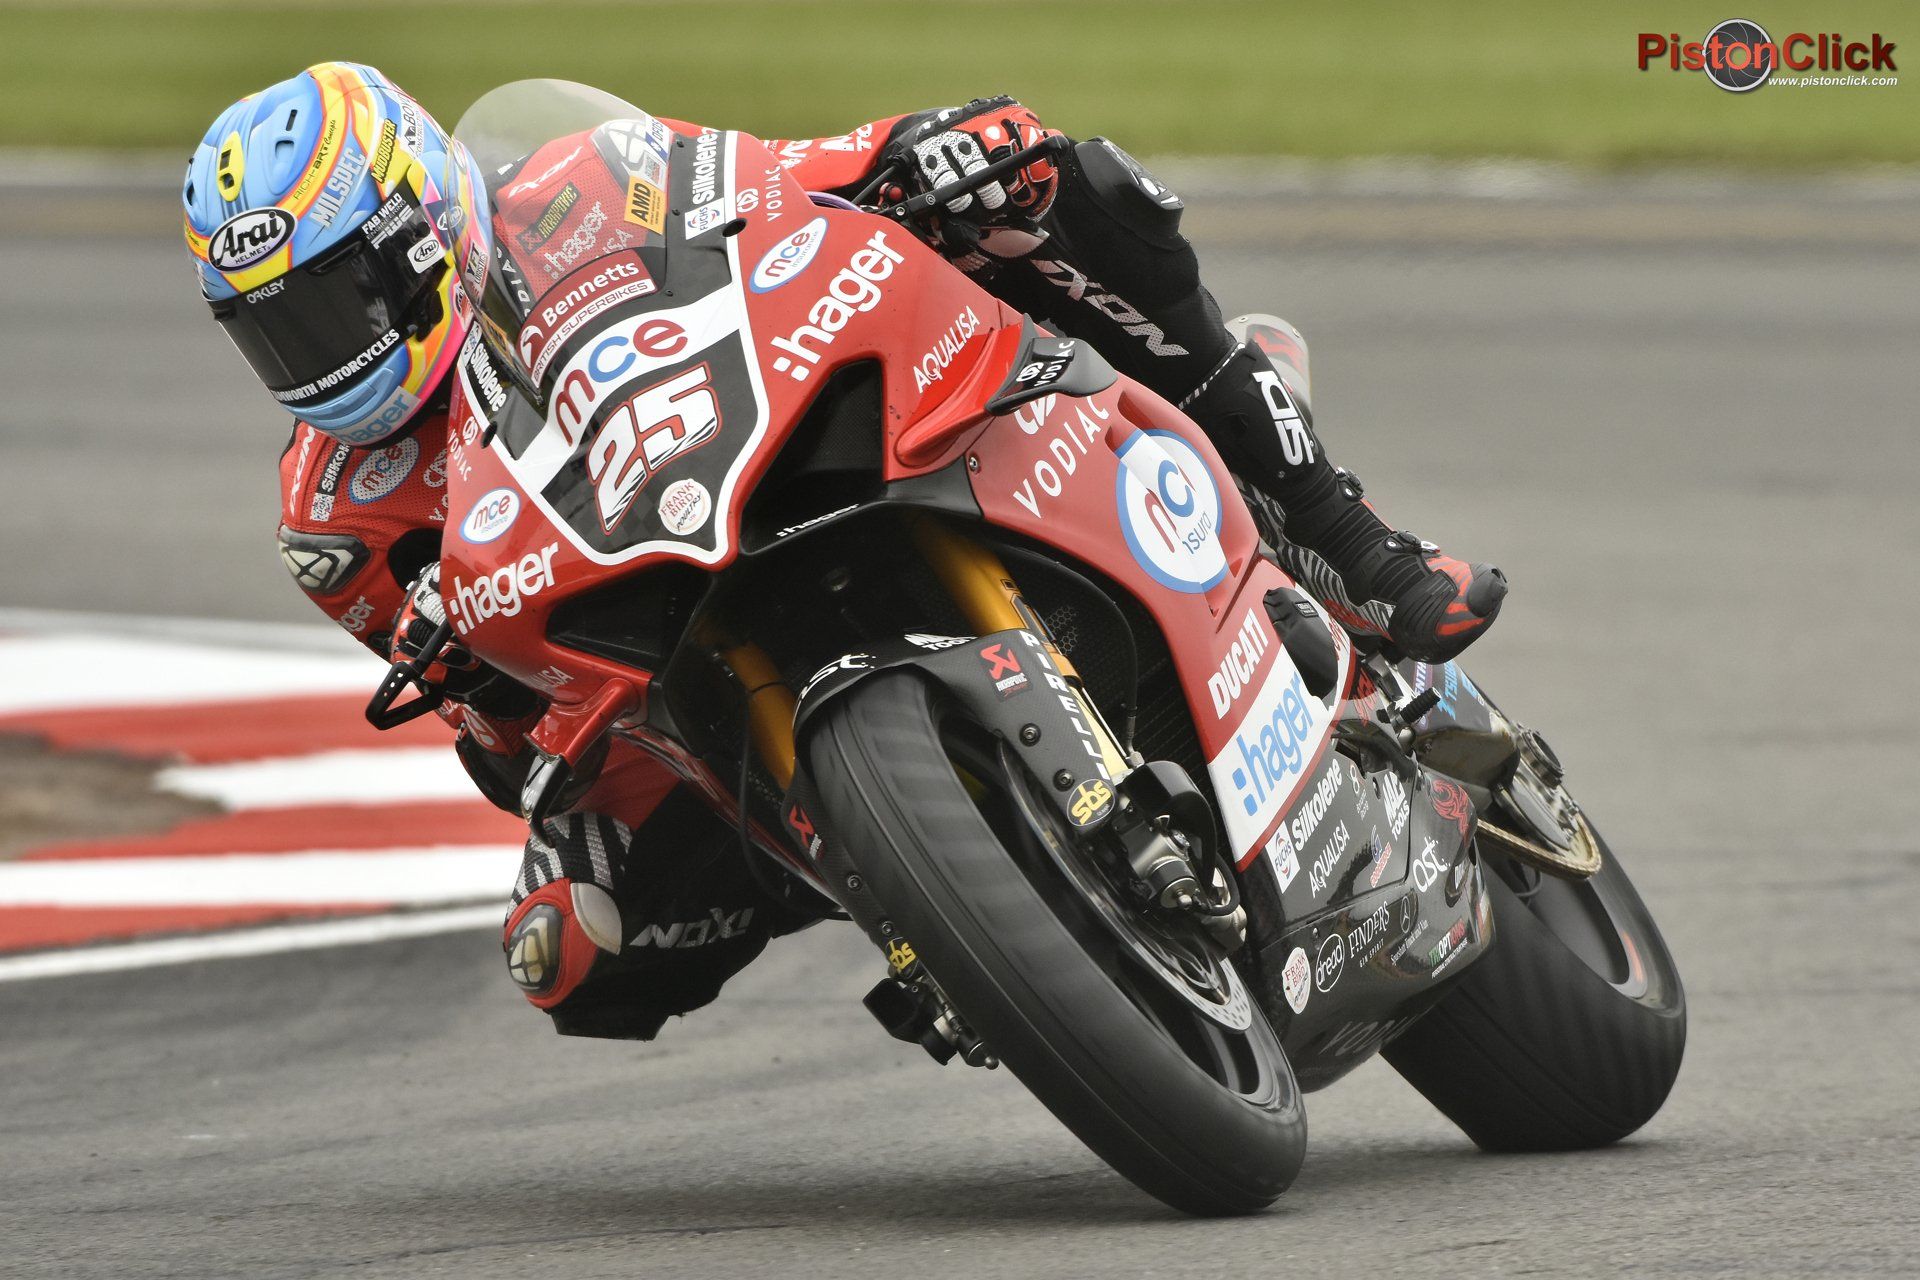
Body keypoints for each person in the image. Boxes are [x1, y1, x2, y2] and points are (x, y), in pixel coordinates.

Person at [184, 66, 1505, 1042]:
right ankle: (925, 900)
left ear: (423, 225)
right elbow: (502, 746)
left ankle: (1342, 536)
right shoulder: (338, 515)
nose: (319, 359)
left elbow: (785, 175)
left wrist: (930, 150)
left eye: (337, 303)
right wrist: (489, 705)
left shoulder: (579, 184)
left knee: (1062, 187)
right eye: (273, 332)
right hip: (662, 669)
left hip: (790, 431)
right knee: (578, 958)